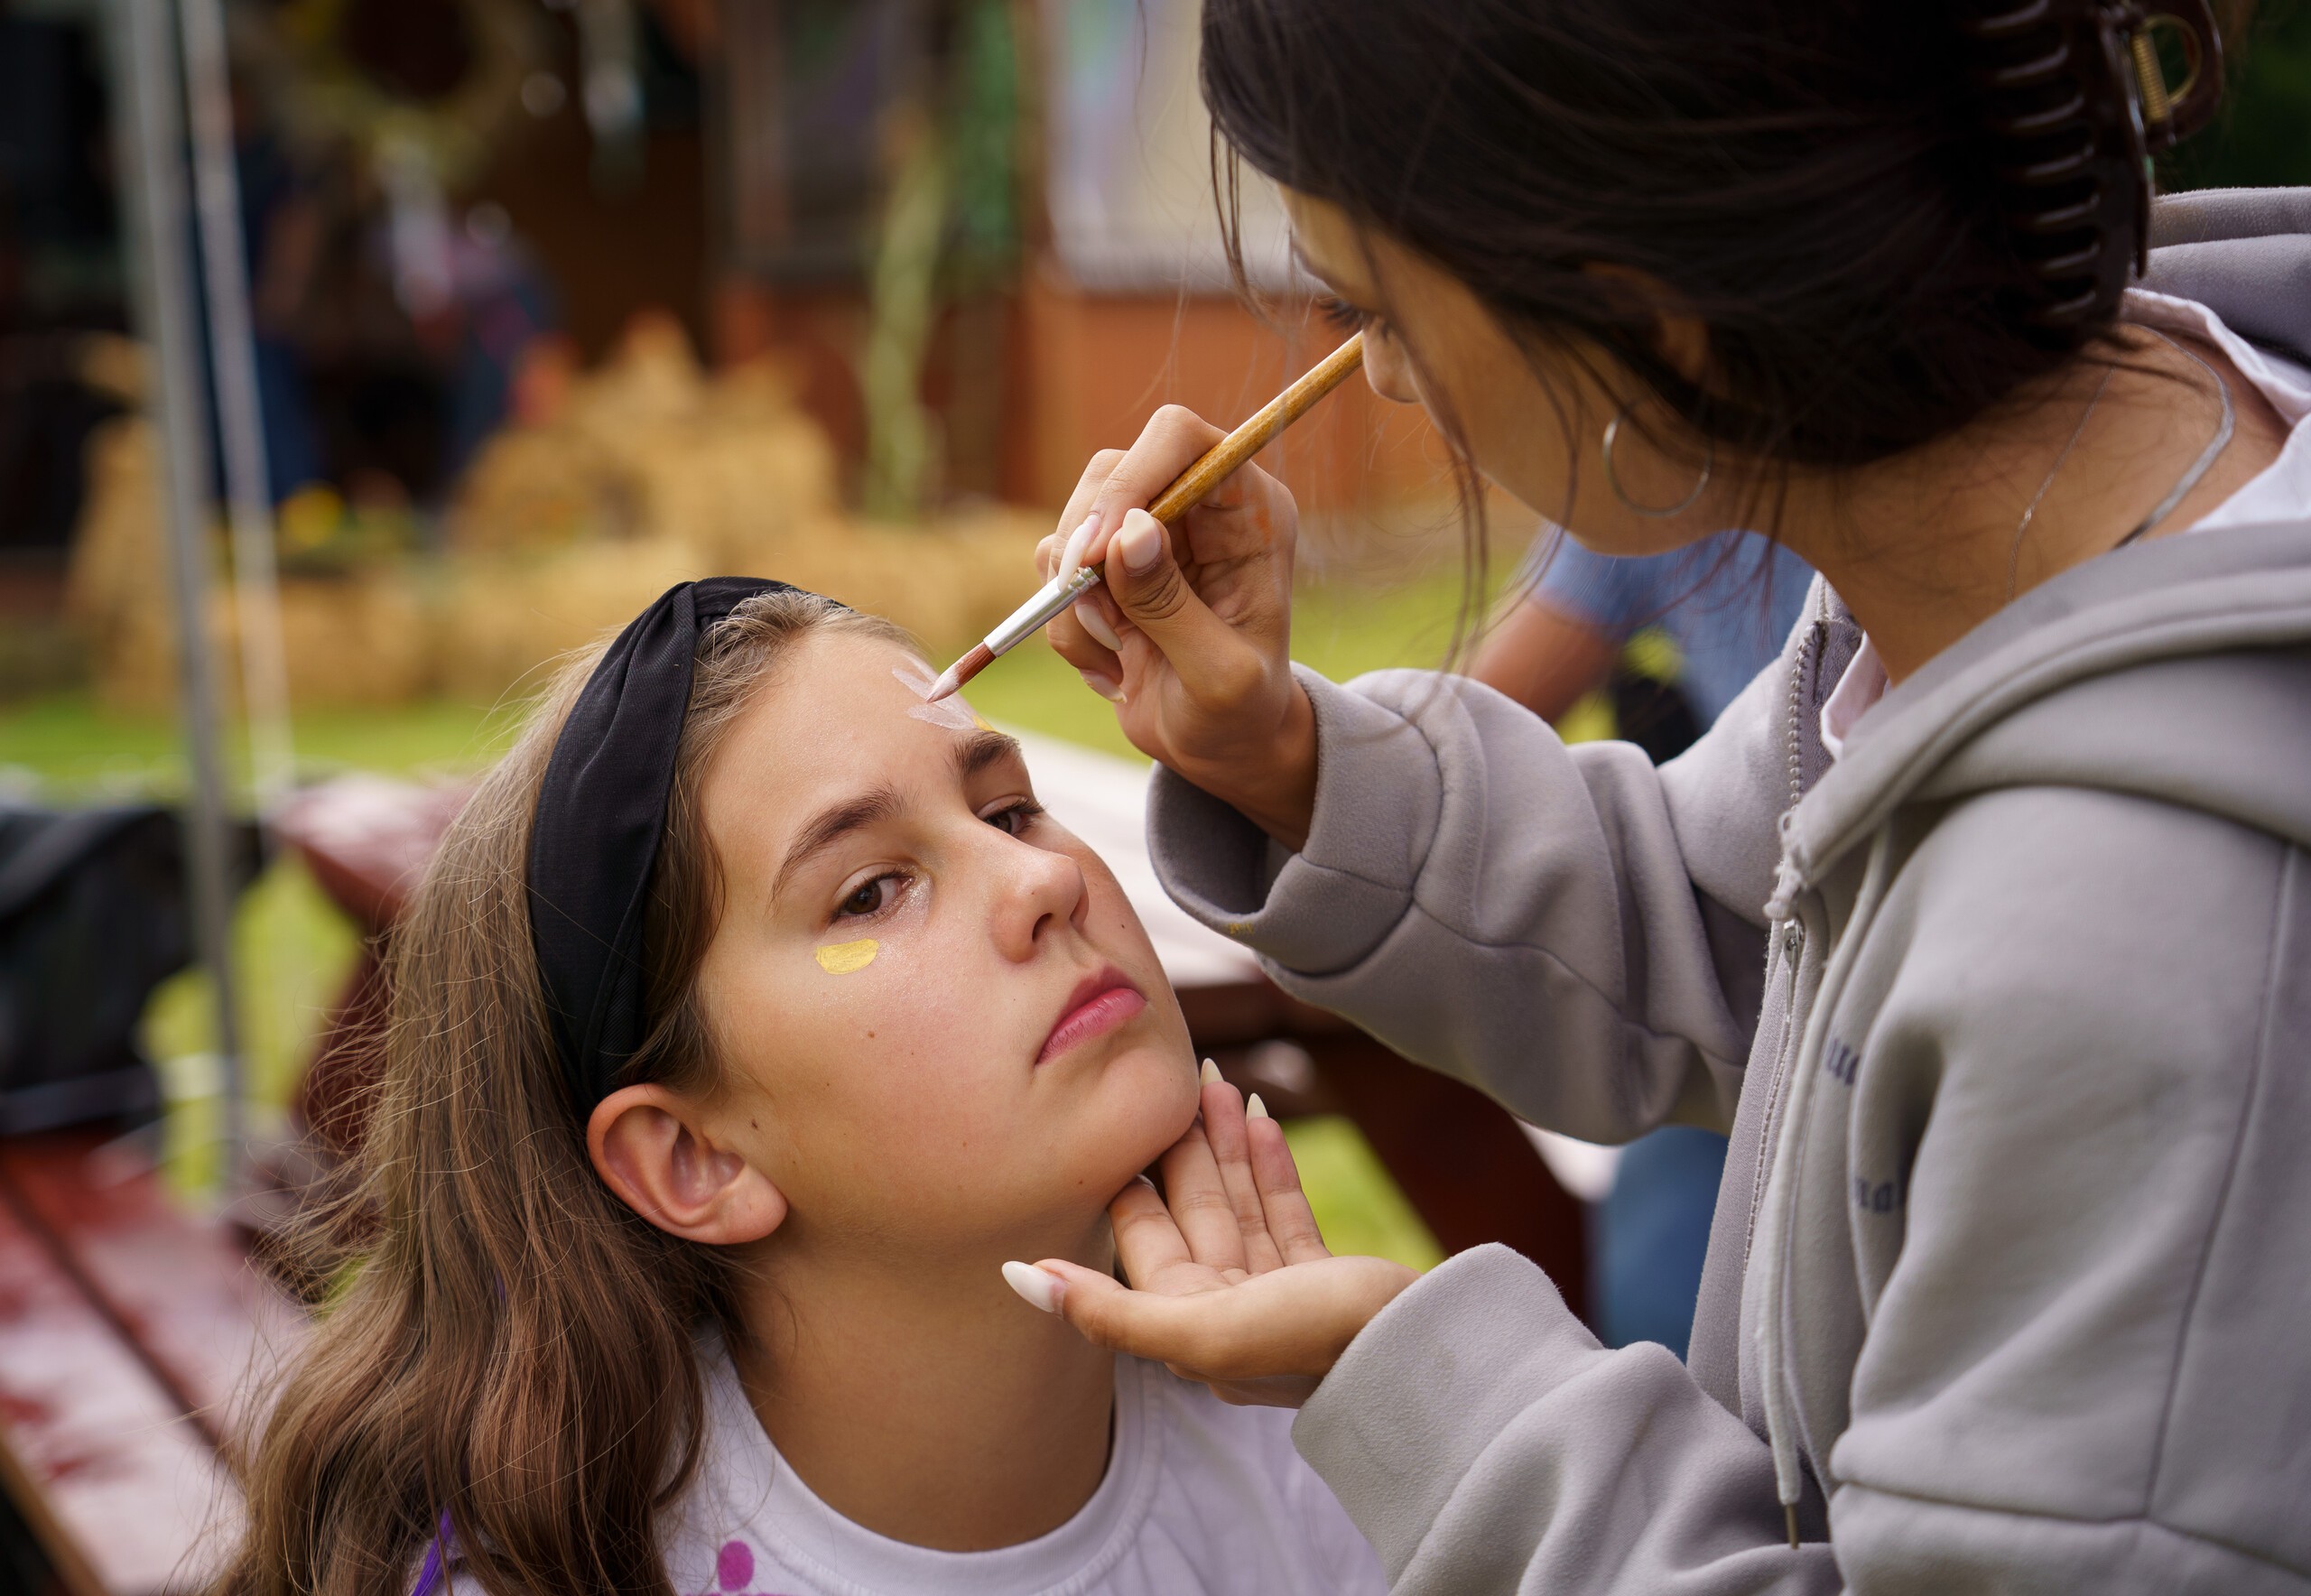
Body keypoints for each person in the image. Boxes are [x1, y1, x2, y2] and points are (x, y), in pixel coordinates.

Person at [1007, 0, 2311, 1589]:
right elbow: (1749, 925)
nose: (1385, 380)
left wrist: (1429, 1389)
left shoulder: (2140, 948)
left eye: (1376, 311)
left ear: (1651, 326)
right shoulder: (2019, 534)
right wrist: (1281, 756)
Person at [213, 581, 1385, 1596]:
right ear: (696, 1159)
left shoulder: (1332, 1446)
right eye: (870, 890)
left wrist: (1404, 1393)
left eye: (1007, 808)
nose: (1041, 878)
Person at [1471, 529, 1812, 1356]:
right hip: (1753, 974)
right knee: (1664, 1315)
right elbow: (1474, 741)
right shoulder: (1653, 498)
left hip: (1886, 969)